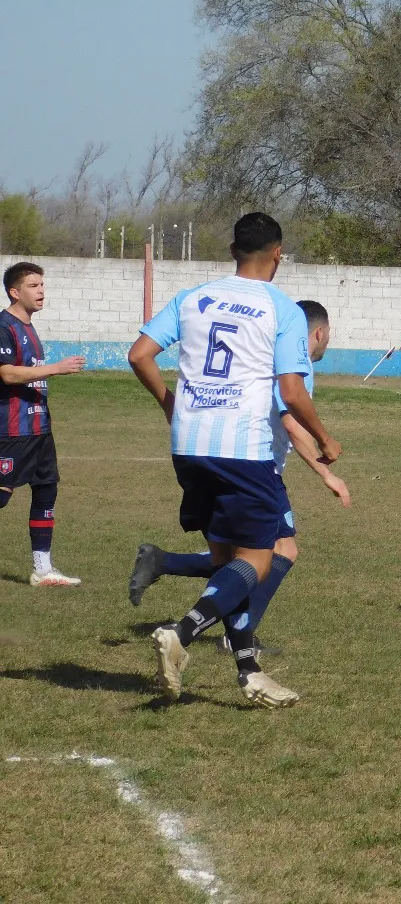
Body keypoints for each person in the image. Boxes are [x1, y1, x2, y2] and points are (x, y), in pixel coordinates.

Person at [127, 213, 343, 706]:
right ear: (277, 255)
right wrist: (325, 439)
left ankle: (249, 672)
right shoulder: (281, 308)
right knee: (260, 560)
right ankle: (182, 632)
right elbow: (291, 390)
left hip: (188, 442)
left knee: (226, 559)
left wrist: (168, 402)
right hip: (242, 448)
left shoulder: (192, 297)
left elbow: (139, 354)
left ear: (232, 250)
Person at [0, 262, 86, 587]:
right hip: (12, 429)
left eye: (42, 285)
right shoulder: (4, 325)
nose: (41, 291)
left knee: (46, 489)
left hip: (38, 429)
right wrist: (55, 369)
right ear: (14, 291)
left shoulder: (29, 327)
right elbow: (6, 373)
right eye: (34, 286)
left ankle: (43, 569)